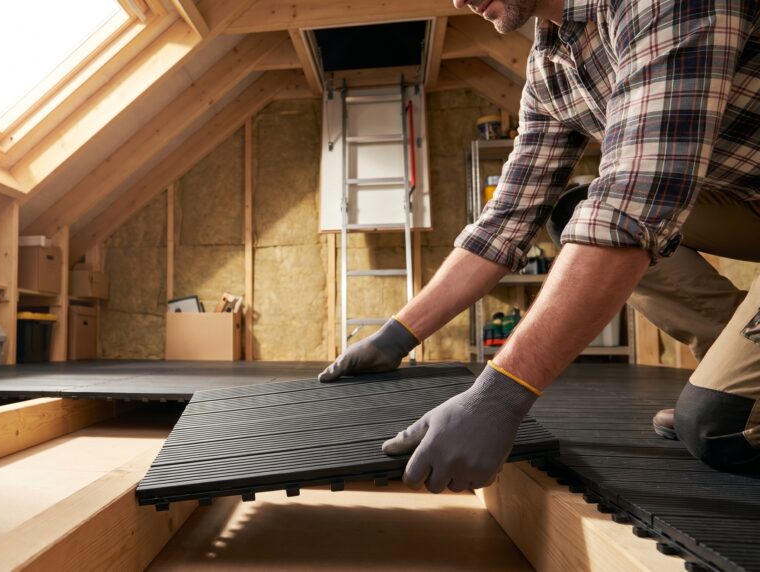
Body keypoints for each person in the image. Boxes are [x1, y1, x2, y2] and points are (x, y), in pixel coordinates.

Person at [319, 0, 760, 492]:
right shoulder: (550, 64)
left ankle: (730, 403)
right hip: (749, 202)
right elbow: (506, 220)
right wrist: (395, 337)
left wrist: (499, 397)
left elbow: (634, 202)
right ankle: (734, 376)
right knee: (573, 209)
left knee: (717, 429)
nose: (458, 1)